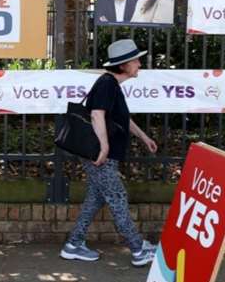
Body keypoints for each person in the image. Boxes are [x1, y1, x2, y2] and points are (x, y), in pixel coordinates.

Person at [60, 39, 158, 267]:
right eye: (136, 60)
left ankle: (73, 244)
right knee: (117, 198)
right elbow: (96, 114)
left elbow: (122, 119)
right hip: (101, 156)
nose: (140, 64)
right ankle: (138, 249)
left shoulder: (112, 85)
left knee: (95, 200)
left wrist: (144, 137)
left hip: (104, 157)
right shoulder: (107, 84)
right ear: (124, 65)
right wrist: (104, 147)